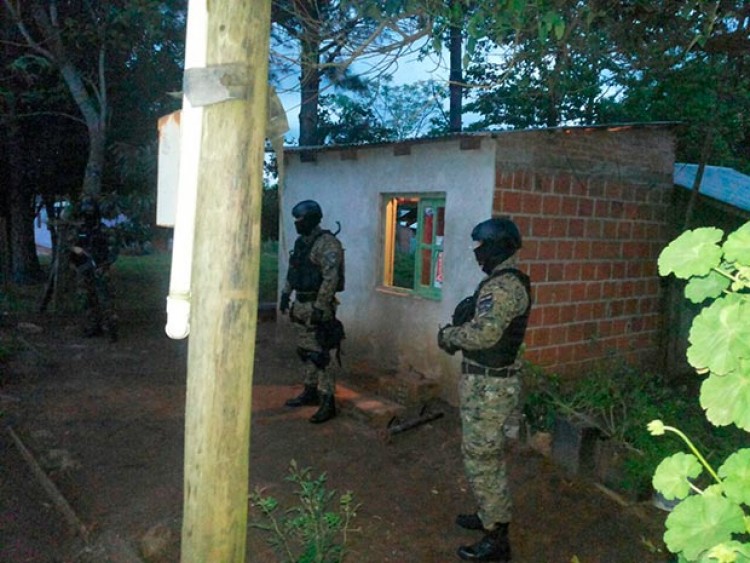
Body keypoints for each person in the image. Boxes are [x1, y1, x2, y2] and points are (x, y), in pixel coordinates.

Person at [437, 217, 531, 562]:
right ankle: (489, 513)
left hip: (490, 389)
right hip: (489, 385)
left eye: (481, 248)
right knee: (484, 456)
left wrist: (449, 336)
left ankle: (497, 539)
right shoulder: (504, 281)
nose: (478, 255)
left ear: (497, 247)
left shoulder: (502, 287)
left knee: (482, 458)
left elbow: (485, 335)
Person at [279, 200, 345, 424]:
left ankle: (327, 401)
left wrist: (320, 306)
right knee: (306, 351)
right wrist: (285, 294)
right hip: (301, 304)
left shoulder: (328, 244)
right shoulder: (301, 243)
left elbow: (330, 278)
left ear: (311, 220)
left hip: (318, 305)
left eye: (300, 220)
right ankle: (310, 391)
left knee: (321, 355)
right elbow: (294, 270)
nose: (296, 224)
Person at [68, 195, 120, 342]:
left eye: (90, 211)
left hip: (100, 268)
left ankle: (111, 328)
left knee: (106, 299)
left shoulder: (104, 230)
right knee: (87, 299)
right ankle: (93, 326)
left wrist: (105, 265)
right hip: (84, 268)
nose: (88, 215)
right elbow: (70, 244)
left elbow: (113, 250)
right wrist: (75, 250)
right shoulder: (80, 229)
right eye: (86, 212)